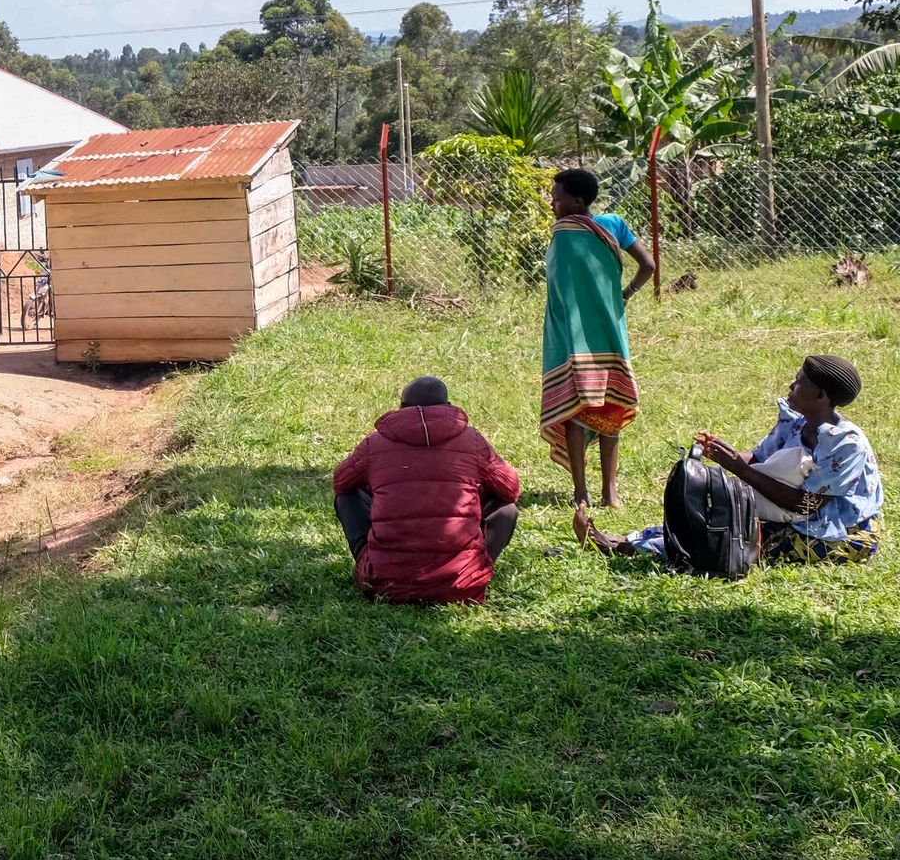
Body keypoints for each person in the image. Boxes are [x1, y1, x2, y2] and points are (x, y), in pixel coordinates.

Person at [585, 355, 882, 564]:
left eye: (798, 382)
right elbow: (761, 457)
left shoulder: (845, 444)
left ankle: (624, 546)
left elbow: (807, 505)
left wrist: (737, 468)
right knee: (720, 519)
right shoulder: (796, 423)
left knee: (726, 539)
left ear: (820, 395)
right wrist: (721, 453)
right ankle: (628, 540)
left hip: (836, 534)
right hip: (792, 517)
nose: (790, 386)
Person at [332, 376, 522, 604]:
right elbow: (510, 489)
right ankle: (474, 572)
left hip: (385, 584)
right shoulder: (472, 441)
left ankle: (371, 566)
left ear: (401, 408)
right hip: (459, 586)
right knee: (506, 508)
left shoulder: (375, 443)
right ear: (449, 407)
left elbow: (341, 483)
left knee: (347, 497)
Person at [541, 168, 654, 511]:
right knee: (611, 408)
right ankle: (611, 493)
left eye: (557, 199)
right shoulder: (614, 224)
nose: (552, 204)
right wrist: (626, 294)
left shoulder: (563, 233)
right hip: (609, 331)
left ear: (577, 201)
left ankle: (581, 493)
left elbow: (559, 290)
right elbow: (648, 264)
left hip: (572, 336)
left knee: (576, 409)